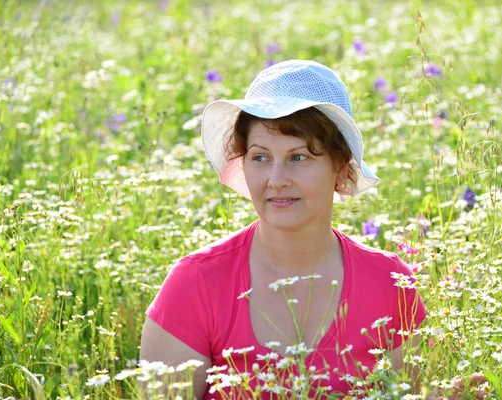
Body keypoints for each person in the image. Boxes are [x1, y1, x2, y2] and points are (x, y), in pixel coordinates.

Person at [140, 60, 428, 399]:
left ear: (340, 167)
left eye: (299, 157)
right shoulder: (197, 284)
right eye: (261, 157)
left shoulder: (390, 284)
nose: (276, 180)